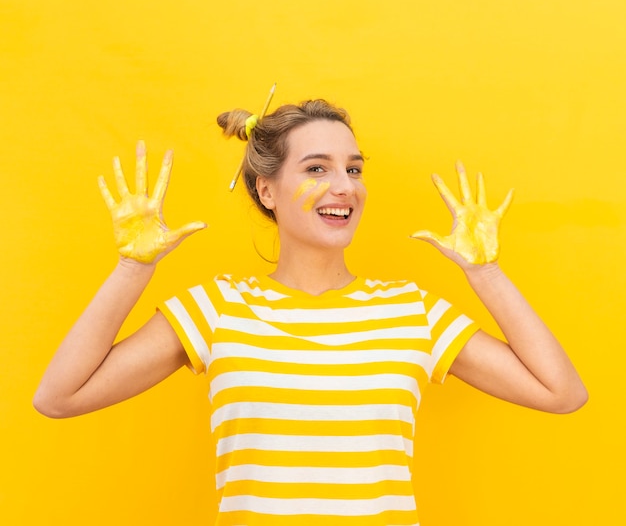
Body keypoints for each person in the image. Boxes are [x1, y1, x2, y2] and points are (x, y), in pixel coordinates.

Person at [34, 99, 587, 525]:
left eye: (354, 168)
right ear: (267, 190)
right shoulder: (219, 308)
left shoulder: (411, 312)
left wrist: (485, 273)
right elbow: (60, 397)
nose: (344, 186)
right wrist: (133, 267)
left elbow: (561, 393)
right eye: (317, 169)